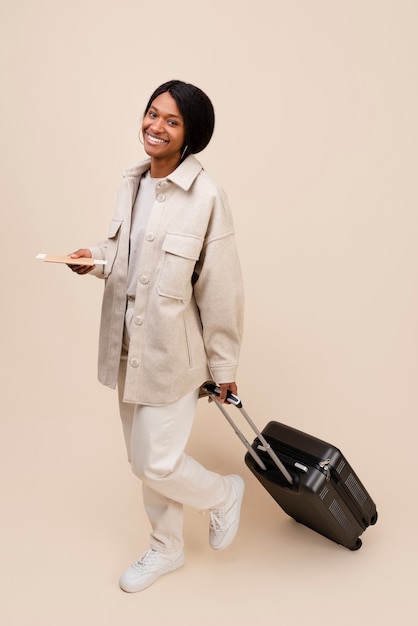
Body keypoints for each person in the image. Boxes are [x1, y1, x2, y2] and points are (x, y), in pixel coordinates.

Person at [68, 80, 245, 593]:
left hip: (174, 358)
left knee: (156, 461)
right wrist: (95, 260)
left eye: (172, 121)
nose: (155, 126)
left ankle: (222, 495)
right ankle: (166, 548)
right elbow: (125, 253)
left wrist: (224, 368)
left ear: (191, 135)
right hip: (128, 349)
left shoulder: (207, 196)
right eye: (152, 113)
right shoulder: (134, 183)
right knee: (141, 462)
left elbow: (222, 287)